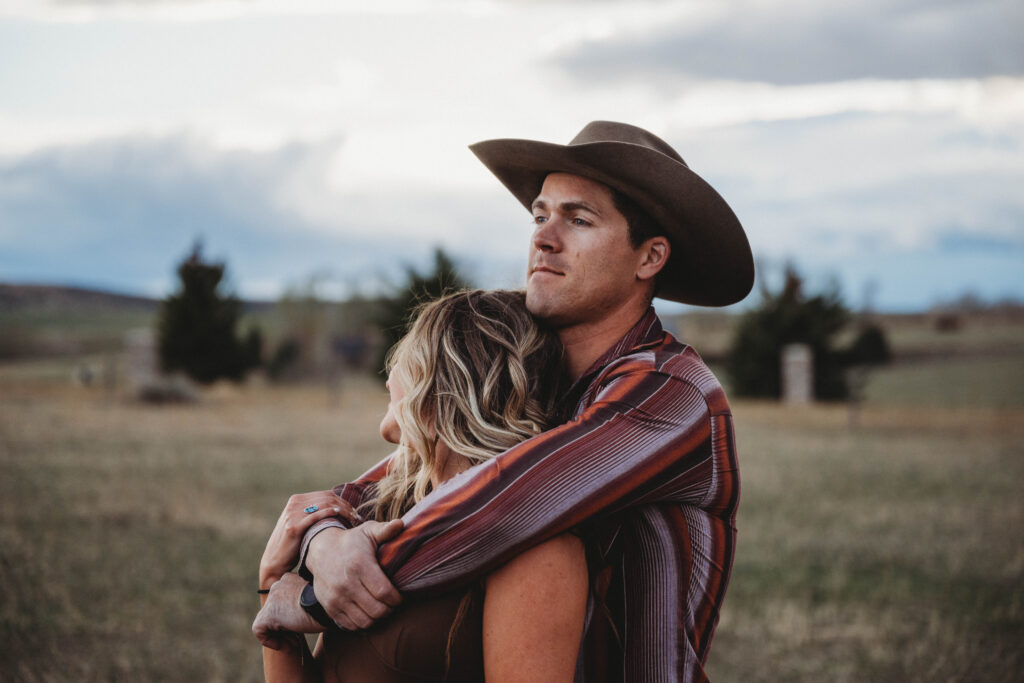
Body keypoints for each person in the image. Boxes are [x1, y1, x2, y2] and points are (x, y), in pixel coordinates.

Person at [297, 121, 754, 682]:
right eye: (540, 216)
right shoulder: (536, 375)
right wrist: (320, 533)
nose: (543, 237)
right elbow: (412, 469)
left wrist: (323, 585)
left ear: (650, 257)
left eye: (579, 219)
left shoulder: (671, 393)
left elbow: (500, 509)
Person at [253, 289, 590, 681]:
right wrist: (272, 586)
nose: (390, 375)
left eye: (408, 355)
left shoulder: (536, 547)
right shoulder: (387, 512)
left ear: (441, 390)